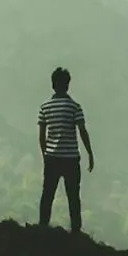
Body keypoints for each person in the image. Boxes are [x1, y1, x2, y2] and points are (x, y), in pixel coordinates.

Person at [36, 66, 94, 233]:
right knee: (73, 196)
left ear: (52, 85)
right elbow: (82, 131)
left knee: (47, 194)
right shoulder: (74, 107)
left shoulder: (44, 107)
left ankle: (42, 228)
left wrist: (45, 155)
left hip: (52, 158)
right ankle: (75, 231)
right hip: (71, 159)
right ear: (67, 85)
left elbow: (41, 136)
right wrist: (89, 153)